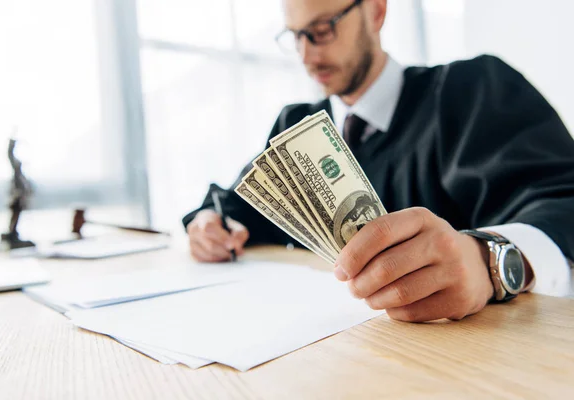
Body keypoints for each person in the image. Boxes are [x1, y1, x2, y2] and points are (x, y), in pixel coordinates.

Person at [183, 0, 574, 322]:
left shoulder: (471, 92)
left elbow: (563, 202)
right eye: (296, 36)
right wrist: (210, 223)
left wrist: (488, 260)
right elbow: (240, 206)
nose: (306, 55)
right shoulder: (295, 126)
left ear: (376, 11)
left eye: (321, 31)